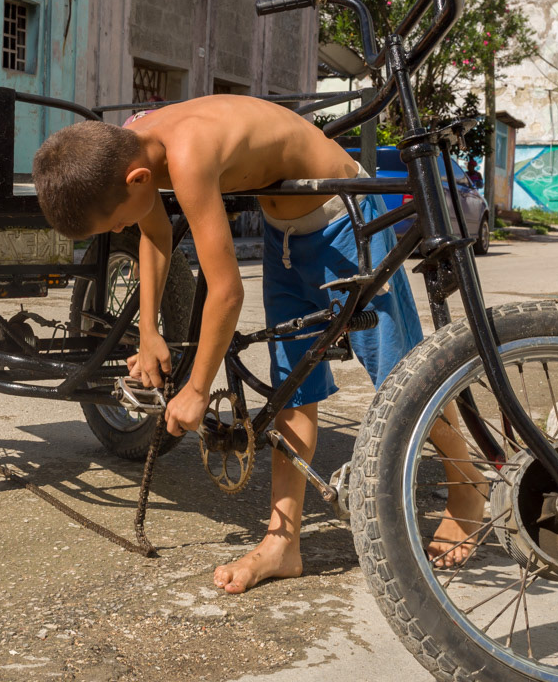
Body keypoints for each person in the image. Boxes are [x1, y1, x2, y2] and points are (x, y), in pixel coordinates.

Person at [32, 95, 487, 593]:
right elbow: (153, 232)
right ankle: (282, 542)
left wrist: (197, 388)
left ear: (136, 180)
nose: (121, 229)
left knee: (401, 373)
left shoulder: (187, 153)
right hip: (285, 234)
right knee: (292, 383)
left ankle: (467, 485)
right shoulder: (134, 139)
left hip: (343, 217)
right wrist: (148, 331)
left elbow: (226, 291)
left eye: (114, 222)